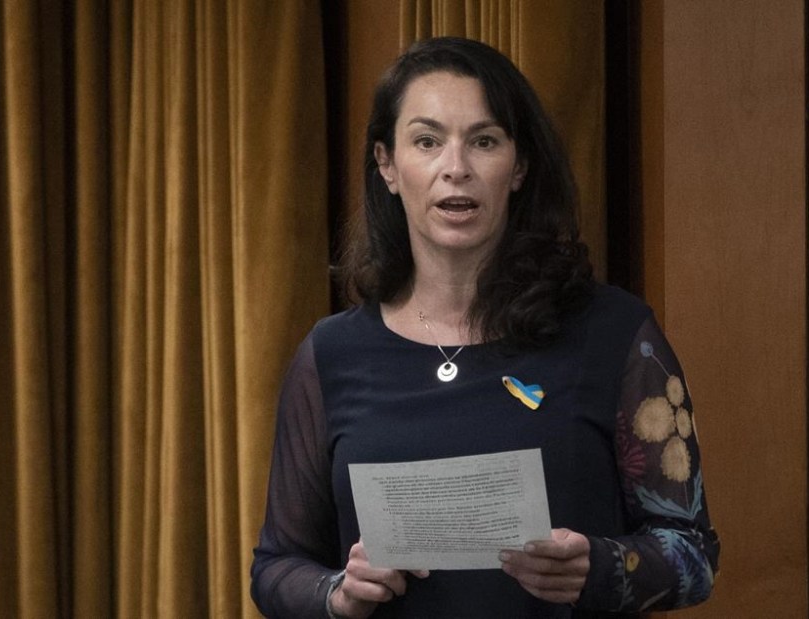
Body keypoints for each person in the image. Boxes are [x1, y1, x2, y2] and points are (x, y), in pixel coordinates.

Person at [250, 36, 719, 618]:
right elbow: (275, 567)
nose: (456, 169)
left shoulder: (616, 334)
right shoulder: (331, 354)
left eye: (484, 141)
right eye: (427, 142)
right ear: (388, 166)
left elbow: (694, 553)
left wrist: (598, 567)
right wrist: (338, 593)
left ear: (518, 167)